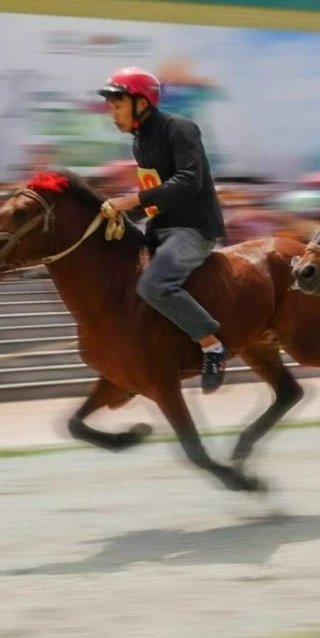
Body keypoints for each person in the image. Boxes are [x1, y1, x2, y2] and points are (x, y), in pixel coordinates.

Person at [98, 67, 232, 393]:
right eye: (111, 107)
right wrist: (124, 217)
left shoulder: (181, 129)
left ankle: (212, 346)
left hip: (193, 230)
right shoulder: (139, 143)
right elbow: (157, 196)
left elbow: (189, 181)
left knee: (155, 284)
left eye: (117, 106)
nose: (112, 113)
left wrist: (132, 201)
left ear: (141, 102)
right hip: (160, 227)